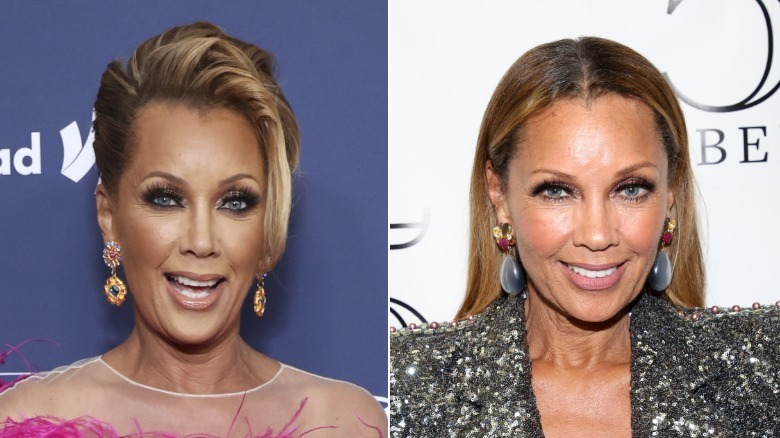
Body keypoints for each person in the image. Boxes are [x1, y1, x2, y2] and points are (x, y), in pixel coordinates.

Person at [0, 22, 386, 437]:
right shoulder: (30, 419)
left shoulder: (344, 422)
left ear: (268, 227)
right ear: (109, 217)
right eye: (166, 199)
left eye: (235, 202)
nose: (201, 242)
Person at [390, 37, 780, 437]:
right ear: (499, 194)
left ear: (671, 191)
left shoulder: (766, 369)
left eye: (630, 189)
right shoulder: (405, 385)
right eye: (557, 191)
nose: (597, 235)